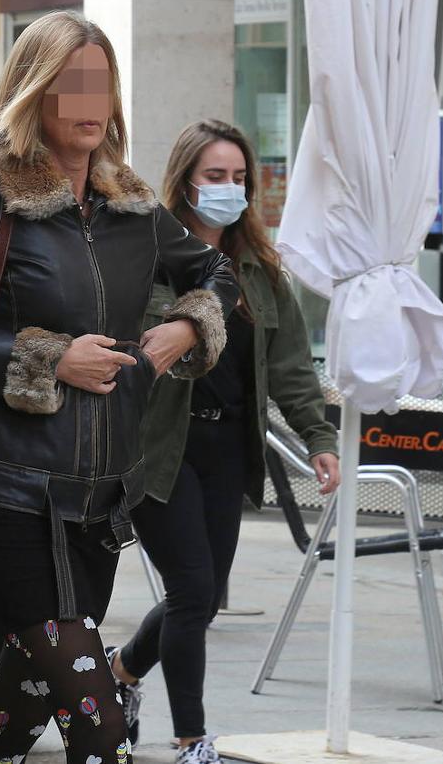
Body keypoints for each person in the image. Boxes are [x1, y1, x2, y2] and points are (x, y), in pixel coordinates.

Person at [0, 12, 238, 764]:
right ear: (33, 92)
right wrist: (50, 359)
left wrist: (186, 327)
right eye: (71, 81)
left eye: (101, 81)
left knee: (11, 725)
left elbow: (216, 271)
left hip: (100, 500)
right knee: (102, 728)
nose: (89, 99)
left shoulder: (134, 207)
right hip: (4, 496)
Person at [106, 120, 341, 764]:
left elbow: (292, 367)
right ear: (184, 181)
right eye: (215, 176)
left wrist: (318, 436)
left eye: (239, 178)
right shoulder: (146, 260)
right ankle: (191, 740)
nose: (229, 189)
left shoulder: (261, 272)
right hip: (160, 450)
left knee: (202, 599)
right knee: (189, 590)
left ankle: (120, 676)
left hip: (229, 452)